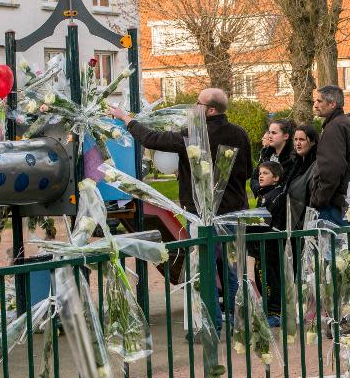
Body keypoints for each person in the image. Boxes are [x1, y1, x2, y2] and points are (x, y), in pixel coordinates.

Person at [108, 88, 252, 331]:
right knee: (231, 269)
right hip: (234, 211)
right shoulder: (239, 134)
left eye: (198, 103)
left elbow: (153, 139)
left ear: (211, 110)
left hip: (204, 214)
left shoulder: (196, 134)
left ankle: (212, 325)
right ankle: (238, 320)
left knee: (204, 268)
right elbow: (247, 171)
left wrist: (127, 119)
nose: (193, 107)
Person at [310, 85, 350, 226]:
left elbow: (332, 168)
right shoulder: (348, 123)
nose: (315, 105)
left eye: (319, 101)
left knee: (331, 246)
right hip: (348, 200)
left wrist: (319, 198)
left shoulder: (335, 127)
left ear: (332, 104)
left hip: (334, 205)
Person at [252, 161, 286, 326]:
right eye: (260, 173)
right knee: (261, 277)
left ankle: (275, 311)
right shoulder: (264, 194)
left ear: (276, 178)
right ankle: (268, 308)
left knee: (270, 279)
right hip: (261, 245)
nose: (260, 176)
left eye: (265, 173)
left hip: (271, 246)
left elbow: (266, 220)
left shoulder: (276, 195)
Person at [287, 124, 319, 229]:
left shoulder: (316, 166)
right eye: (295, 139)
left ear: (313, 142)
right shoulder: (295, 163)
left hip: (306, 224)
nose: (298, 143)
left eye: (302, 139)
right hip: (292, 222)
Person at [251, 119, 294, 194]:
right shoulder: (266, 155)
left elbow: (287, 184)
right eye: (269, 132)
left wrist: (267, 190)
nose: (270, 136)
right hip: (263, 201)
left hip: (280, 203)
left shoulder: (292, 158)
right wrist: (259, 188)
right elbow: (254, 177)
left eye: (274, 133)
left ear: (286, 136)